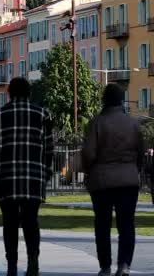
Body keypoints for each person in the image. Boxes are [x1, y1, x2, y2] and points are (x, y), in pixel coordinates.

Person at [0, 77, 53, 276]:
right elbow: (49, 148)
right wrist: (46, 171)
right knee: (31, 221)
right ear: (29, 93)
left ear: (10, 93)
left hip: (7, 177)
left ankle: (12, 264)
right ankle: (33, 261)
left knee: (10, 222)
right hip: (33, 177)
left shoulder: (0, 114)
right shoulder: (42, 114)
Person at [82, 84, 144, 276]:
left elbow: (89, 153)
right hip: (128, 180)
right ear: (121, 100)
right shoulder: (134, 124)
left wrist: (88, 171)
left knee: (102, 225)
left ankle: (105, 266)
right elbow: (140, 153)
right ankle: (124, 264)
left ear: (104, 100)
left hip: (102, 181)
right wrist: (135, 170)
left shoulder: (97, 123)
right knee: (127, 224)